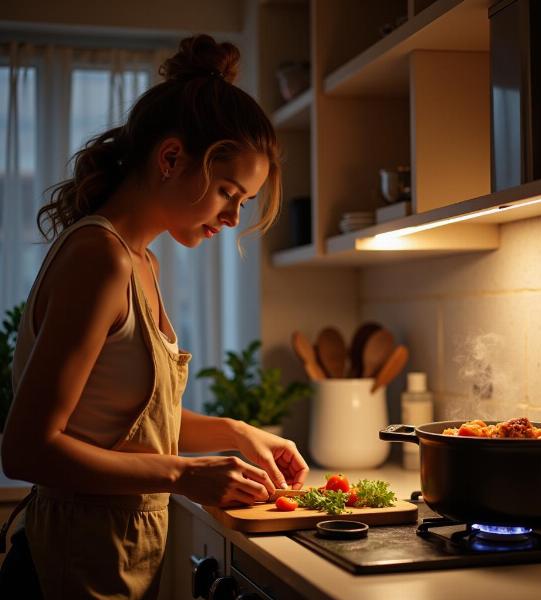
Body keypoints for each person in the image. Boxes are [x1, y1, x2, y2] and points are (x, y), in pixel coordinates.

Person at [0, 34, 309, 599]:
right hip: (64, 568)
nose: (233, 216)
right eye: (227, 192)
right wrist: (188, 474)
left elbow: (123, 420)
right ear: (171, 159)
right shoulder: (102, 257)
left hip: (108, 562)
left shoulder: (141, 260)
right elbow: (26, 449)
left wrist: (237, 434)